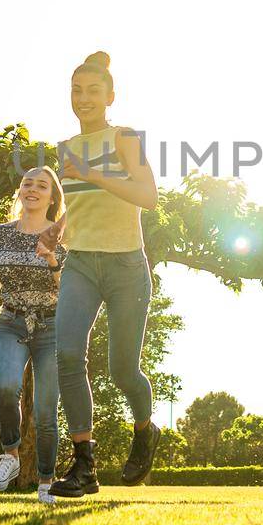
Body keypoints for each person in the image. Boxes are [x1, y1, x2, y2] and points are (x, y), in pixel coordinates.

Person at [45, 52, 162, 498]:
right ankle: (84, 465)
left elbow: (147, 195)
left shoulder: (124, 137)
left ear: (110, 96)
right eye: (77, 90)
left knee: (123, 369)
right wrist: (56, 232)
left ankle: (145, 429)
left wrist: (92, 173)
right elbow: (80, 209)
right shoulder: (65, 149)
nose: (84, 98)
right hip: (80, 263)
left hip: (126, 266)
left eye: (93, 91)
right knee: (69, 355)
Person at [0, 167, 67, 504]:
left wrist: (52, 257)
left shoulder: (62, 236)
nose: (33, 189)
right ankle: (10, 457)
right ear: (20, 190)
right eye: (28, 183)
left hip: (51, 325)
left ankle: (45, 481)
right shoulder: (1, 233)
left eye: (42, 185)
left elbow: (66, 288)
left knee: (45, 409)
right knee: (6, 386)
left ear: (52, 197)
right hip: (10, 321)